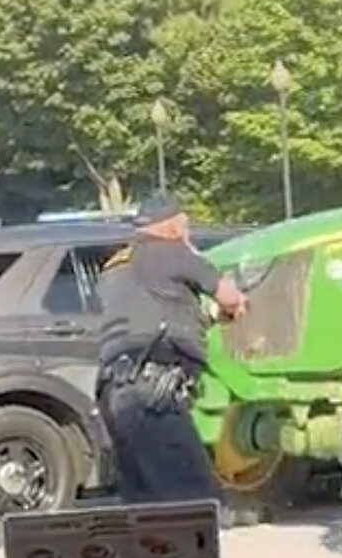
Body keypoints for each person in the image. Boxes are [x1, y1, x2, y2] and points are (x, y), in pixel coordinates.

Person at [93, 195, 248, 519]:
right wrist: (232, 308)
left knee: (144, 503)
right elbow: (230, 297)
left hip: (112, 390)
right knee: (193, 502)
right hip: (154, 392)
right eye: (186, 226)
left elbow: (154, 307)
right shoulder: (175, 252)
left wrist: (202, 318)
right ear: (176, 226)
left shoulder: (114, 264)